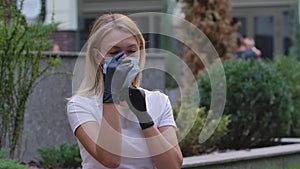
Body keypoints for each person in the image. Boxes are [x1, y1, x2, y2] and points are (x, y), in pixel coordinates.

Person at [66, 13, 183, 169]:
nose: (124, 58)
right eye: (114, 53)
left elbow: (172, 166)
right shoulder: (81, 105)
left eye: (131, 50)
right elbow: (111, 160)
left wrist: (145, 119)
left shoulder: (158, 101)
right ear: (97, 57)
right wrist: (110, 95)